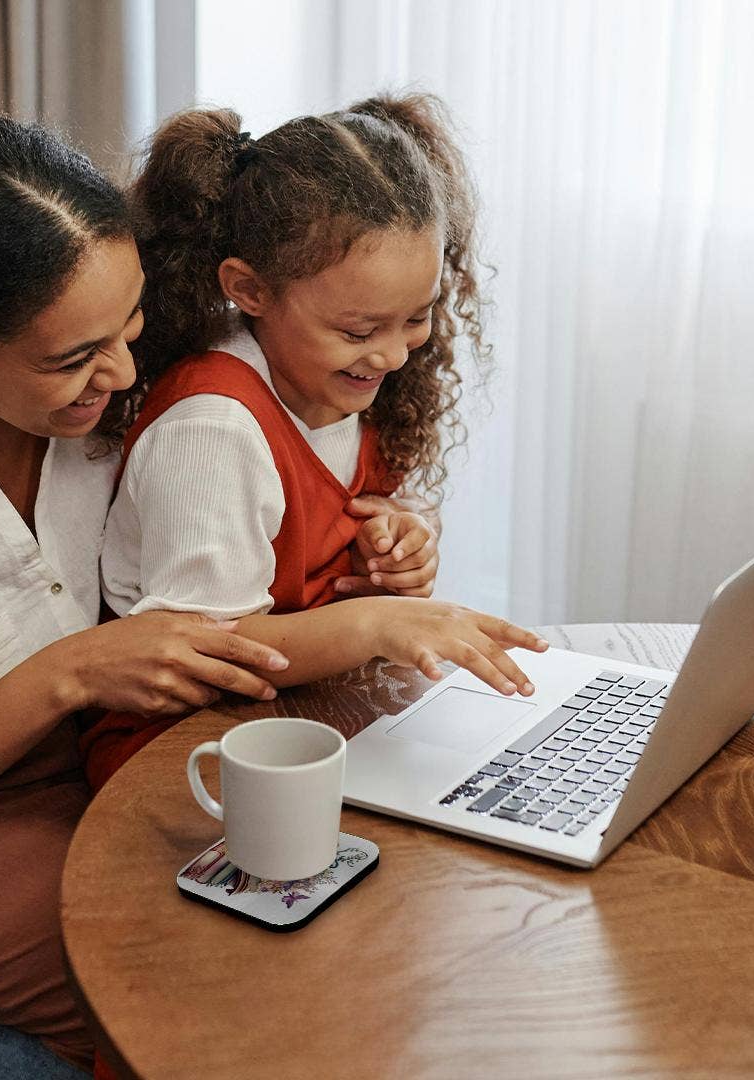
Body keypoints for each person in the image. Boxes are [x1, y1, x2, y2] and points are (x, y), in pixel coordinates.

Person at [0, 115, 290, 1070]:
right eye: (73, 359)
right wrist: (69, 673)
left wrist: (385, 526)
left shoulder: (105, 387)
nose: (123, 373)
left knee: (329, 910)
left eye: (130, 325)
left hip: (101, 760)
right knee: (202, 993)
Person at [83, 93, 550, 794]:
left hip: (306, 715)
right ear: (249, 289)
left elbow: (337, 524)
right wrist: (377, 624)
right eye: (360, 331)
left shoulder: (337, 379)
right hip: (184, 750)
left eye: (416, 318)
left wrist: (398, 545)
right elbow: (208, 649)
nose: (393, 355)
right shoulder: (210, 430)